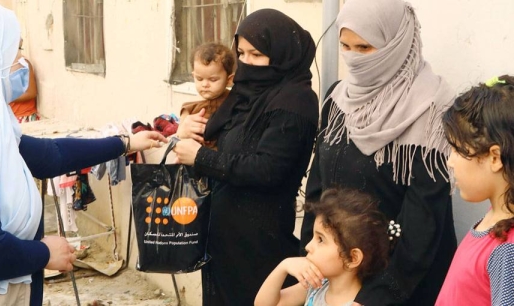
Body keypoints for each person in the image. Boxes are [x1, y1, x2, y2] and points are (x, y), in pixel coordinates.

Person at [0, 1, 166, 305]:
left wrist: (124, 144)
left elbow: (48, 156)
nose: (21, 61)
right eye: (15, 49)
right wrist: (45, 253)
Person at [299, 0, 458, 305]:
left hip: (402, 285)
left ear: (396, 45)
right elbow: (318, 191)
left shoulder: (431, 110)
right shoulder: (338, 99)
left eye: (364, 48)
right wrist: (310, 261)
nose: (352, 58)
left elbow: (423, 222)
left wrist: (375, 297)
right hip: (338, 279)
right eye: (345, 46)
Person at [173, 8, 318, 305]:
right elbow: (212, 132)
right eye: (241, 53)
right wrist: (186, 129)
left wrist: (201, 157)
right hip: (221, 236)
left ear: (281, 55)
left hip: (259, 241)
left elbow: (268, 169)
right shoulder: (243, 94)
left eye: (256, 54)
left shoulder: (296, 101)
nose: (246, 63)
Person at [435, 75, 514, 305]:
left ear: (494, 157)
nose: (450, 162)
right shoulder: (494, 218)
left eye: (458, 150)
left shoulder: (507, 252)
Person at [255, 188, 390, 306]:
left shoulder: (360, 303)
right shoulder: (317, 286)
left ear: (352, 258)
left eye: (320, 239)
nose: (308, 246)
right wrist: (283, 266)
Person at [176, 42, 235, 149]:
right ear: (193, 75)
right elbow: (180, 137)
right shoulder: (189, 108)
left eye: (213, 80)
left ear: (229, 80)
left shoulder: (234, 101)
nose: (205, 85)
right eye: (199, 79)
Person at [9, 38, 40, 123]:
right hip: (8, 117)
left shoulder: (23, 64)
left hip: (23, 116)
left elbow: (31, 93)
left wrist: (5, 97)